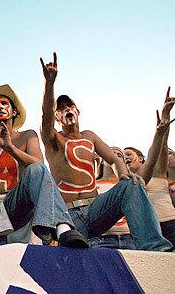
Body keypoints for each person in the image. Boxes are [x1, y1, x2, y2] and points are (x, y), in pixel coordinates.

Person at [0, 43, 86, 247]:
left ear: (13, 112)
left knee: (37, 169)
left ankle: (63, 229)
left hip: (15, 207)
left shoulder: (28, 135)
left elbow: (38, 166)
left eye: (4, 104)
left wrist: (10, 147)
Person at [40, 52, 172, 251]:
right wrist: (49, 84)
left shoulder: (90, 136)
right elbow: (45, 115)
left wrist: (124, 174)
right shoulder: (53, 139)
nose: (67, 109)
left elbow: (113, 158)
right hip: (68, 217)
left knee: (132, 185)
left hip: (94, 210)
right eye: (61, 108)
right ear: (57, 117)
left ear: (78, 111)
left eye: (70, 106)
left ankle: (157, 250)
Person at [125, 88, 175, 245]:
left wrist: (165, 114)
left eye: (128, 153)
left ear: (140, 158)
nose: (125, 156)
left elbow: (162, 146)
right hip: (146, 232)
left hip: (170, 224)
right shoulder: (124, 182)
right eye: (122, 155)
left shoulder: (158, 172)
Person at [91, 147, 135, 249]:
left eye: (119, 155)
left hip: (129, 238)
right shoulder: (92, 185)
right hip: (100, 239)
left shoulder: (129, 184)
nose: (115, 156)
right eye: (111, 153)